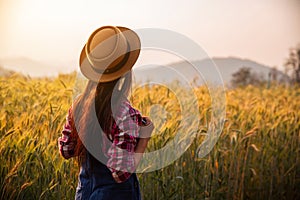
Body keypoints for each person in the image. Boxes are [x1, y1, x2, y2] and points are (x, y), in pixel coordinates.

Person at [58, 26, 154, 200]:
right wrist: (145, 137)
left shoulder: (78, 106)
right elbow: (121, 174)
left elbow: (66, 150)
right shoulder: (124, 113)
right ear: (125, 72)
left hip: (84, 193)